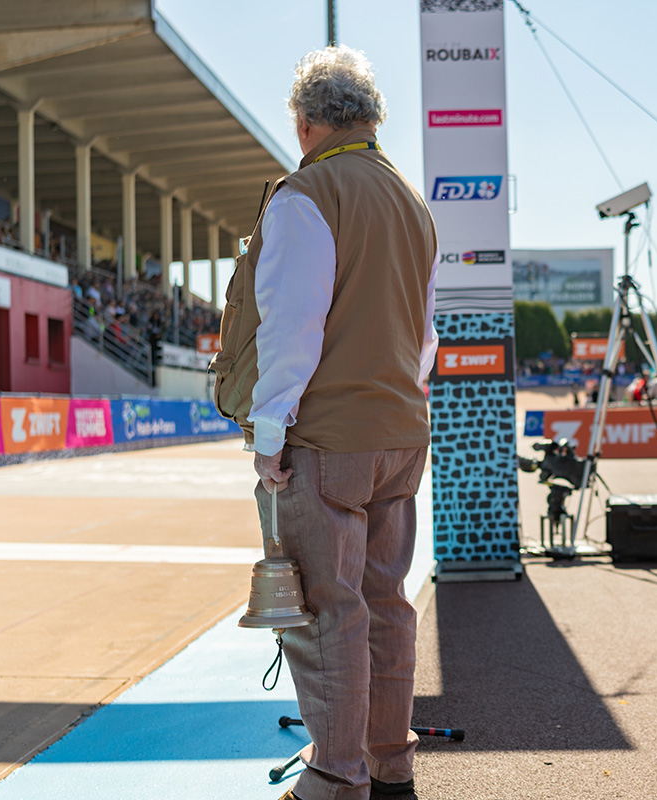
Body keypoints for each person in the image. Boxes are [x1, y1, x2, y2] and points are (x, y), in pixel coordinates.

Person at [210, 45, 437, 800]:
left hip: (326, 439)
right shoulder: (411, 201)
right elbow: (426, 335)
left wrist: (269, 436)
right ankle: (389, 765)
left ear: (305, 124)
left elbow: (290, 329)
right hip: (401, 433)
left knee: (323, 612)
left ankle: (337, 777)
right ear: (370, 120)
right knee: (384, 604)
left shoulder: (307, 195)